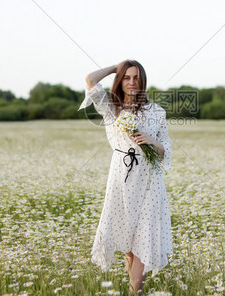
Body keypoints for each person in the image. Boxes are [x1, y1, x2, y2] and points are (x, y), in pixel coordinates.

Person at [78, 60, 173, 295]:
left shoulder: (157, 112)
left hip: (150, 179)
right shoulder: (111, 107)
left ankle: (135, 292)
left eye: (136, 77)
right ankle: (136, 288)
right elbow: (90, 79)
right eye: (127, 77)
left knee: (144, 235)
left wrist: (152, 141)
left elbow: (166, 150)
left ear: (143, 81)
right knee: (130, 243)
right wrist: (115, 68)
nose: (132, 82)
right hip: (122, 177)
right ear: (120, 81)